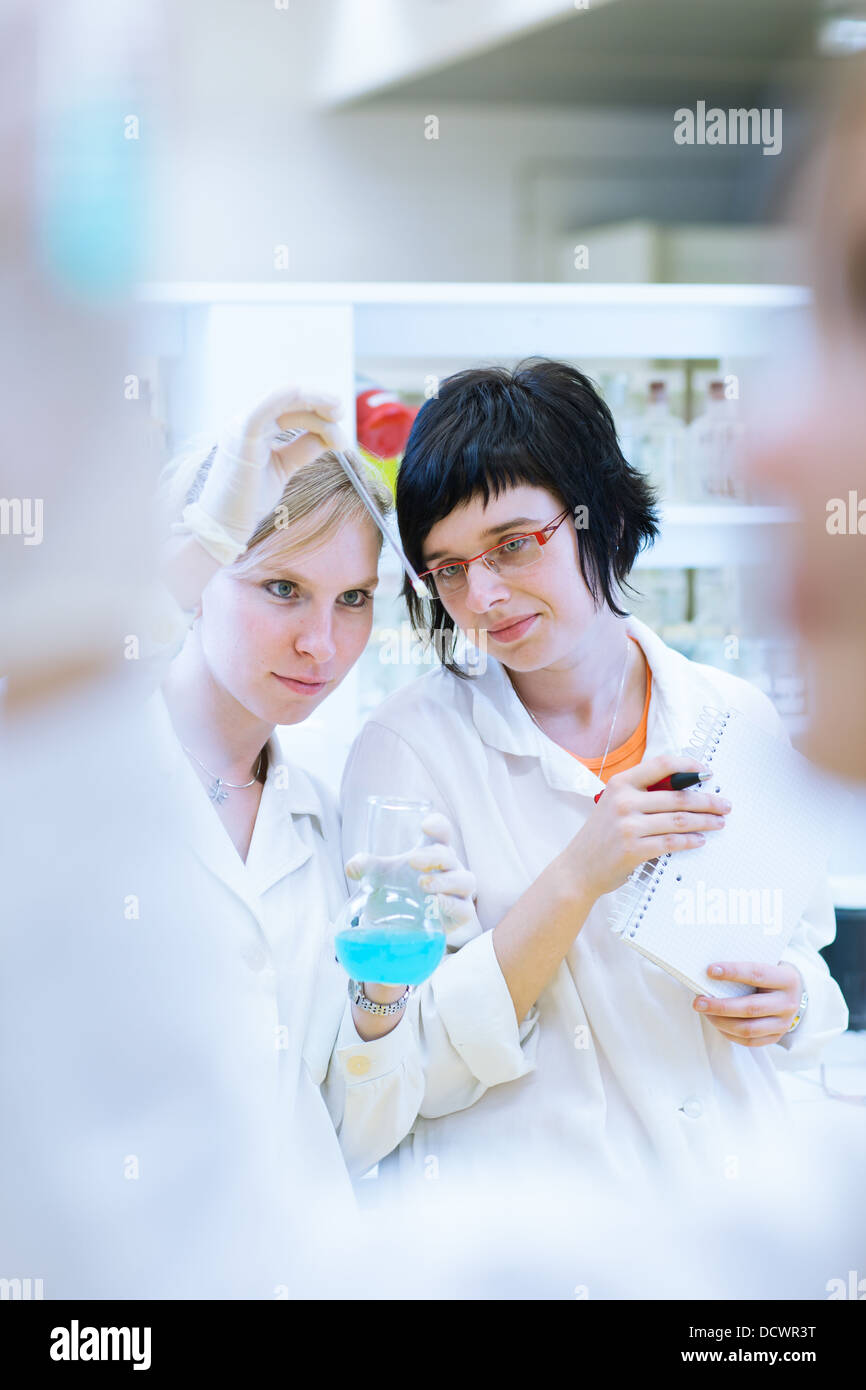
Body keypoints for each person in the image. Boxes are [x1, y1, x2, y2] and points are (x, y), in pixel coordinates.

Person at [339, 358, 848, 1197]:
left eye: (512, 545)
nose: (486, 594)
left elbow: (807, 969)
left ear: (601, 515)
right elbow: (398, 1072)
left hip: (729, 1228)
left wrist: (789, 1005)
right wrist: (580, 872)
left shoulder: (735, 720)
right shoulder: (407, 752)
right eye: (451, 568)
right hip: (536, 1242)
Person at [156, 388, 480, 1206]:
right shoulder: (73, 787)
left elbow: (350, 1138)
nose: (321, 643)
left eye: (354, 599)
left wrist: (384, 987)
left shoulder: (331, 822)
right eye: (281, 588)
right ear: (200, 573)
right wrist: (196, 545)